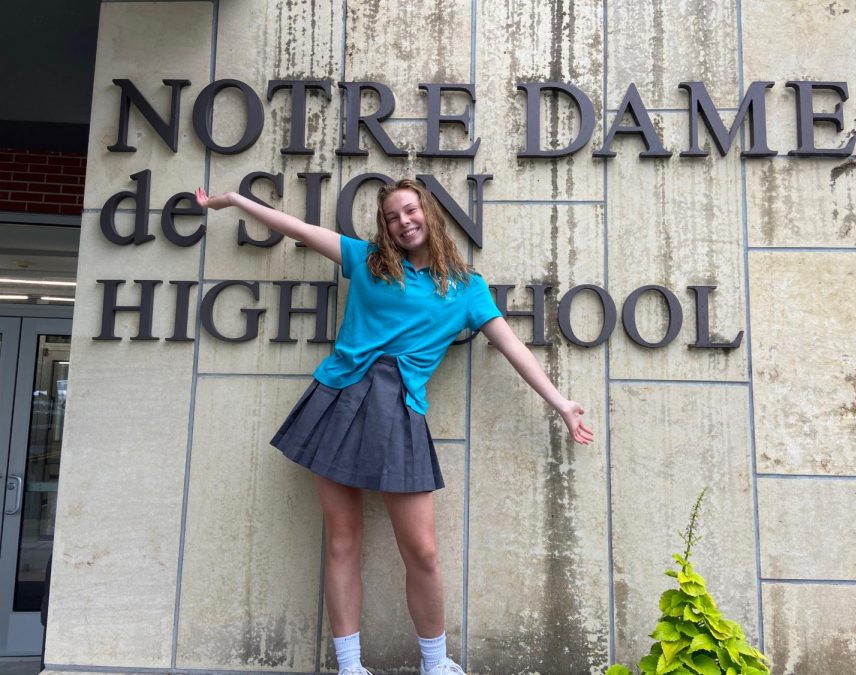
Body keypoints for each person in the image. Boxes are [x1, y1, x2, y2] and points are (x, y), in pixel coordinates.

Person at [195, 179, 593, 675]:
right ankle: (350, 666)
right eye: (391, 217)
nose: (403, 222)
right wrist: (234, 201)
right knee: (343, 540)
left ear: (428, 212)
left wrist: (560, 403)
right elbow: (294, 227)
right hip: (338, 400)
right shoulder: (366, 261)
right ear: (383, 227)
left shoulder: (467, 288)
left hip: (400, 410)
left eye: (410, 211)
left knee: (422, 551)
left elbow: (512, 348)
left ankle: (434, 663)